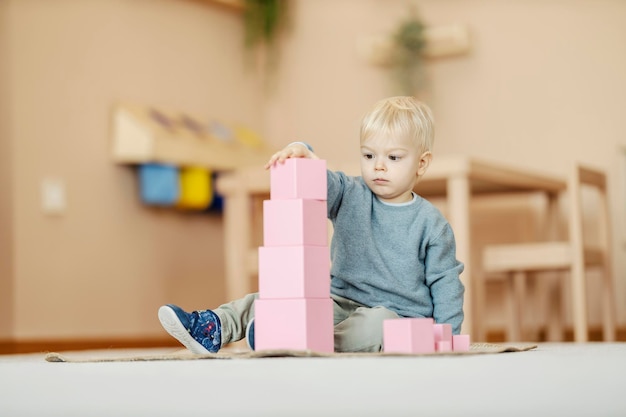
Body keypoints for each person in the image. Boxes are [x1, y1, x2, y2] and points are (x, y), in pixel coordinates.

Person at [158, 96, 465, 353]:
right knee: (276, 298)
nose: (379, 166)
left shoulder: (431, 223)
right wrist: (301, 152)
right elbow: (320, 180)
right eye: (369, 155)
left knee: (375, 324)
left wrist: (447, 336)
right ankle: (213, 327)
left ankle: (303, 342)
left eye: (394, 158)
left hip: (398, 315)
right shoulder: (350, 192)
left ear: (421, 163)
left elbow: (446, 282)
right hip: (338, 300)